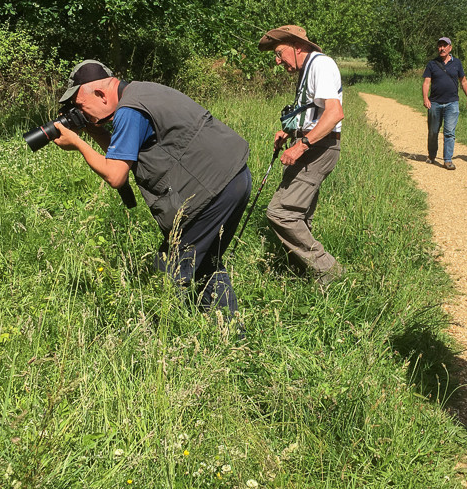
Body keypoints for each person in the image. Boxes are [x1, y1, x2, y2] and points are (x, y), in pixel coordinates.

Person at [51, 60, 252, 318]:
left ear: (100, 94)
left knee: (173, 269)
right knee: (205, 263)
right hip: (232, 178)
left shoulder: (129, 110)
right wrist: (91, 129)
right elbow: (122, 154)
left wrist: (77, 142)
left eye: (80, 106)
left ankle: (190, 335)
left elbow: (115, 175)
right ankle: (229, 332)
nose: (81, 112)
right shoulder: (140, 92)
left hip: (212, 192)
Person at [258, 25, 344, 285]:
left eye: (279, 52)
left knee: (280, 213)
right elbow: (313, 113)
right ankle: (305, 272)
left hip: (320, 148)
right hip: (313, 145)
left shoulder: (321, 65)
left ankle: (328, 271)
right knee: (300, 214)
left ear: (298, 47)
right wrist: (290, 134)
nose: (277, 60)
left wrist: (302, 145)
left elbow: (334, 113)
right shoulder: (308, 70)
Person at [422, 37, 467, 170]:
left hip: (452, 103)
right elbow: (427, 82)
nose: (441, 48)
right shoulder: (432, 64)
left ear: (450, 47)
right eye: (440, 46)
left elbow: (464, 81)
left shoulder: (457, 63)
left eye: (444, 45)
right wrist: (426, 98)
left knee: (449, 132)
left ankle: (447, 160)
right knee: (433, 132)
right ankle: (432, 155)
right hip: (435, 103)